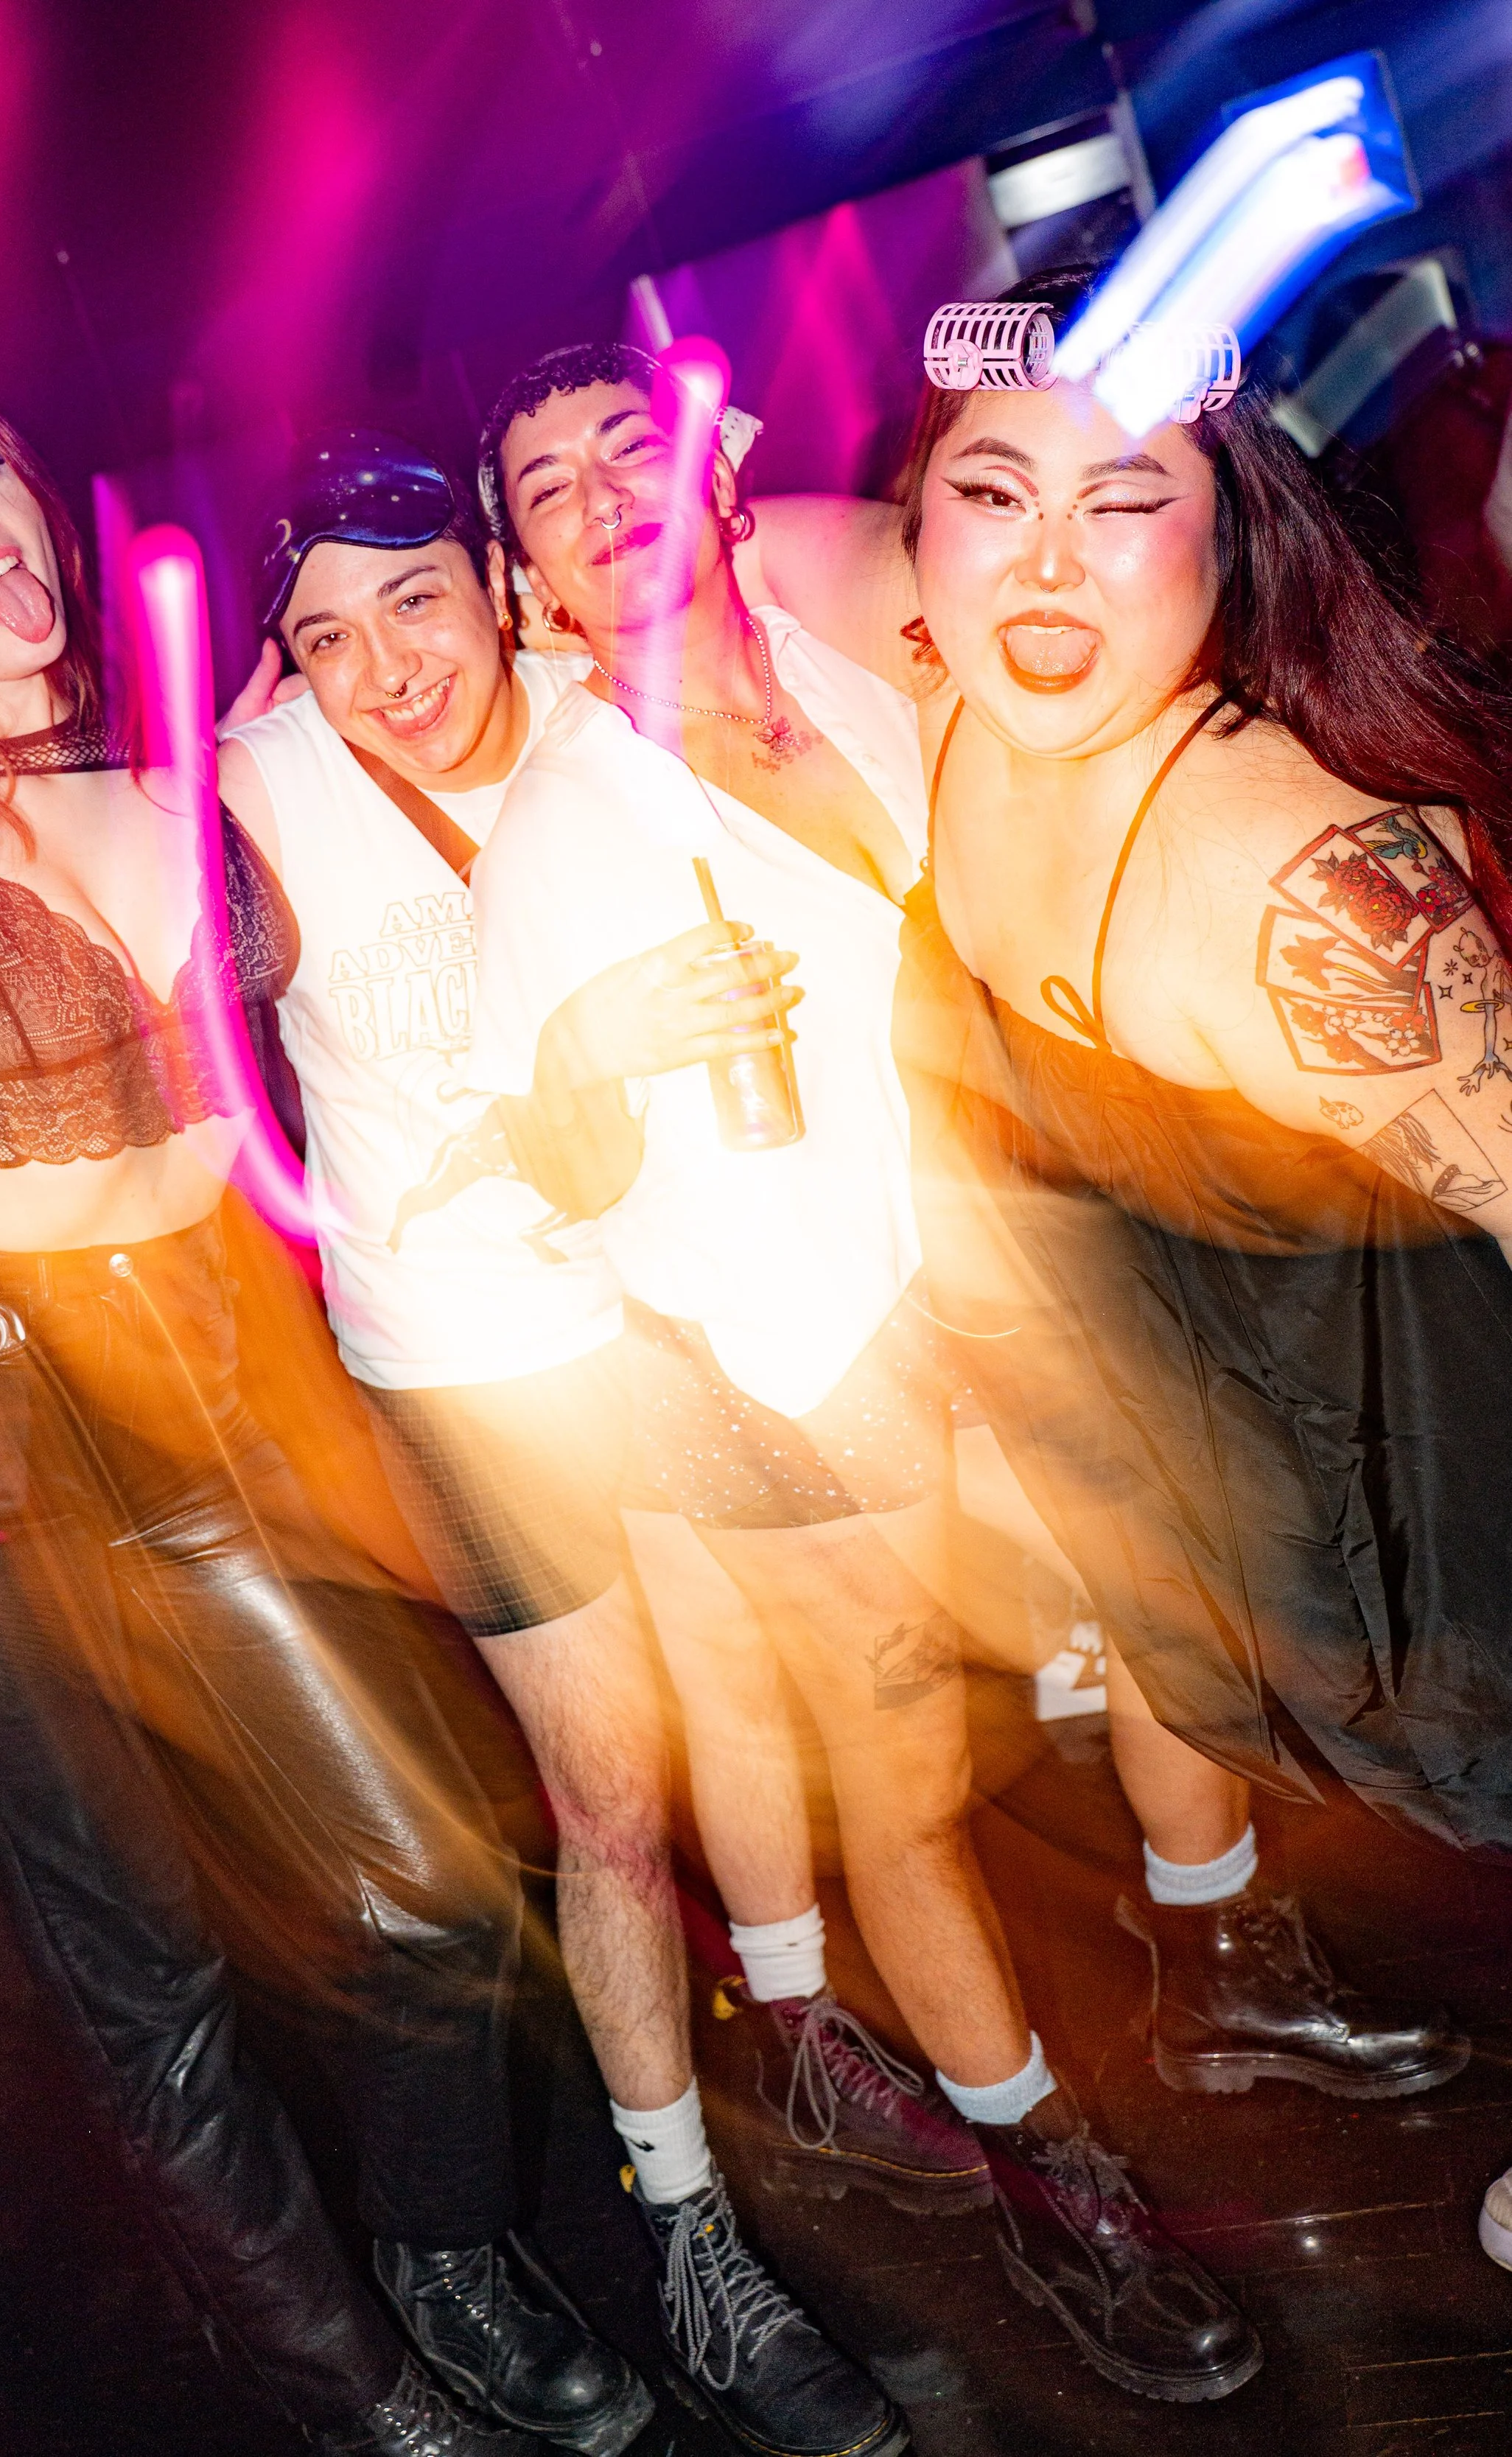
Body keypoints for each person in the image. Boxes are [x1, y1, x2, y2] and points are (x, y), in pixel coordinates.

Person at [0, 427, 922, 2457]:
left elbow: (843, 617)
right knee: (588, 1802)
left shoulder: (615, 711)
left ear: (499, 580)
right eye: (322, 631)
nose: (384, 662)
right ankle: (669, 2238)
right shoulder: (243, 784)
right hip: (463, 1357)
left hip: (686, 1299)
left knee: (806, 1697)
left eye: (416, 597)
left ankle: (813, 2029)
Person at [0, 349, 643, 2457]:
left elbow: (469, 693)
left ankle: (451, 2251)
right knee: (144, 1973)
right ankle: (344, 2377)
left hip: (200, 1382)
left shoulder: (216, 756)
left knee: (427, 1873)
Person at [466, 339, 1262, 2405]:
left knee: (1149, 1626)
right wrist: (592, 1063)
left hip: (969, 1293)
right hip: (770, 1364)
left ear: (705, 478)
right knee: (904, 1777)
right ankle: (1047, 2175)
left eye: (624, 444)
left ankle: (1220, 1962)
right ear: (533, 580)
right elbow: (547, 1168)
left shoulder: (838, 673)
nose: (598, 495)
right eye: (545, 489)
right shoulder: (563, 820)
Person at [853, 271, 1501, 2246]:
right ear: (917, 523)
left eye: (1122, 495)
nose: (1046, 558)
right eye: (993, 489)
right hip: (1243, 1448)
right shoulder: (947, 703)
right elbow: (702, 538)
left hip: (1438, 1456)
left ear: (1225, 528)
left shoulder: (1281, 877)